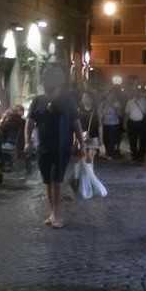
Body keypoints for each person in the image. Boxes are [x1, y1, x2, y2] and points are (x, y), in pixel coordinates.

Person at [26, 65, 85, 228]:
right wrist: (27, 141)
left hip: (61, 146)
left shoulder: (67, 100)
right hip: (43, 146)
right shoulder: (38, 100)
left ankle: (57, 214)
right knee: (47, 180)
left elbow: (76, 123)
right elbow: (30, 122)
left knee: (57, 180)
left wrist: (82, 144)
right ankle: (52, 212)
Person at [0, 105, 26, 185]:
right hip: (18, 145)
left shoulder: (9, 121)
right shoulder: (23, 121)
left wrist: (2, 120)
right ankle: (3, 166)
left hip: (9, 144)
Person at [125, 84, 146, 162]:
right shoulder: (129, 102)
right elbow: (127, 113)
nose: (136, 94)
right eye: (135, 92)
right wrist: (125, 123)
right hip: (132, 122)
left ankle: (141, 154)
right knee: (132, 139)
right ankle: (134, 153)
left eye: (138, 92)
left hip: (141, 123)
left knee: (143, 139)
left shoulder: (145, 101)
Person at [99, 88, 123, 158]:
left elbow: (120, 114)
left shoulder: (117, 103)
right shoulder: (103, 104)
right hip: (105, 124)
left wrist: (116, 108)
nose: (110, 96)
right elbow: (100, 114)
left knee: (112, 139)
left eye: (112, 95)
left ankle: (110, 153)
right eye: (109, 95)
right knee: (106, 139)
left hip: (114, 124)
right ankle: (107, 152)